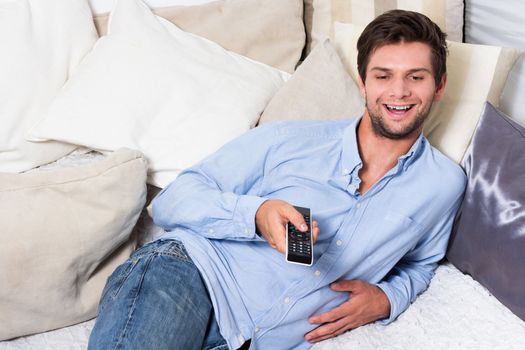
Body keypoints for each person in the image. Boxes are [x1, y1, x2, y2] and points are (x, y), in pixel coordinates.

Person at [88, 9, 466, 350]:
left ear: (440, 85)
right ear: (363, 83)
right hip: (189, 276)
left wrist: (387, 298)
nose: (399, 92)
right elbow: (172, 200)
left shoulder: (444, 185)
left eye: (415, 77)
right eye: (384, 76)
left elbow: (421, 264)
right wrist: (256, 214)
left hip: (259, 339)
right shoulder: (288, 138)